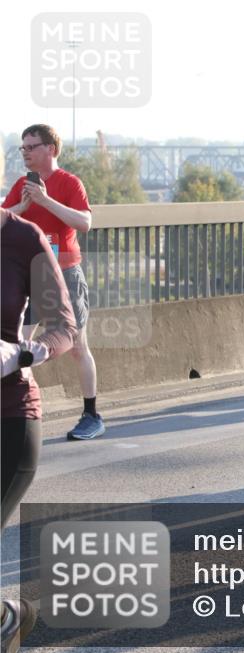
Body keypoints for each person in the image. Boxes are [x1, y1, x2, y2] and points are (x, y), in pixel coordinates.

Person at [1, 207, 77, 653]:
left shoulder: (22, 238)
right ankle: (7, 618)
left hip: (9, 416)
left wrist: (23, 354)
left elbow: (64, 326)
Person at [1, 124, 103, 440]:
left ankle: (91, 415)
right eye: (23, 147)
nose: (25, 153)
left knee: (77, 345)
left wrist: (45, 201)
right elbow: (3, 218)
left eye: (32, 147)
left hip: (65, 274)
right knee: (16, 347)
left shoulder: (69, 182)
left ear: (51, 149)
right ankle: (18, 415)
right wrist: (22, 207)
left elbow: (85, 222)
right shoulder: (22, 185)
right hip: (29, 277)